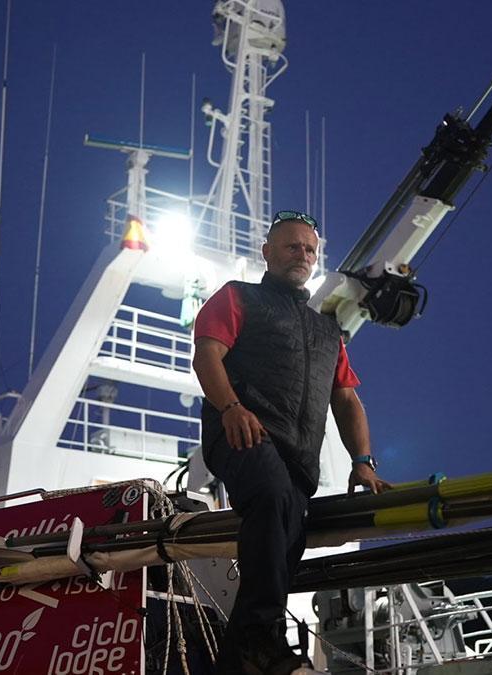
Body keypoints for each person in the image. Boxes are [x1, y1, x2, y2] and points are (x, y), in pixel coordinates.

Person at [192, 210, 390, 674]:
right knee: (273, 496)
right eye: (291, 246)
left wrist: (363, 461)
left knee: (284, 548)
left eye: (309, 249)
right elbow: (206, 354)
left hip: (296, 457)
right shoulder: (237, 297)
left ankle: (237, 662)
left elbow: (347, 400)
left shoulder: (328, 331)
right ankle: (265, 638)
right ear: (267, 253)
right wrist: (231, 408)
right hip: (239, 433)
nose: (301, 254)